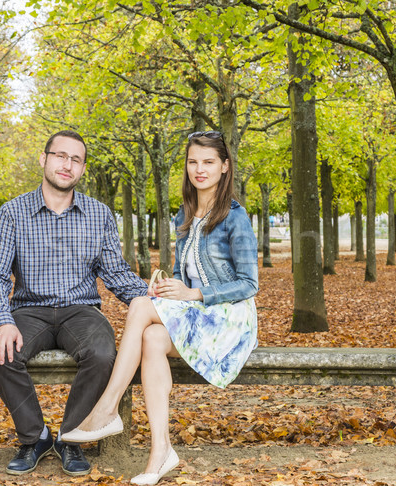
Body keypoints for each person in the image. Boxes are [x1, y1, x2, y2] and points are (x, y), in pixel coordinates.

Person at [62, 130, 259, 485]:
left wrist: (193, 294)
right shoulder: (183, 216)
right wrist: (168, 290)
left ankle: (107, 407)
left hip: (230, 320)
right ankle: (160, 452)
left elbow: (248, 284)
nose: (200, 169)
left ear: (225, 167)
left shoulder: (235, 217)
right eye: (193, 162)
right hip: (198, 316)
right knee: (152, 336)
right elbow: (184, 279)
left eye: (209, 162)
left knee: (139, 305)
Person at [0, 130, 148, 477]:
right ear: (44, 159)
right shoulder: (13, 212)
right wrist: (2, 320)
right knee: (1, 353)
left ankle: (71, 438)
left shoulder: (99, 214)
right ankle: (35, 437)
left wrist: (151, 297)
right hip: (28, 310)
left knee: (103, 354)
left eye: (76, 159)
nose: (67, 164)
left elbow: (115, 272)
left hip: (81, 311)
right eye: (60, 155)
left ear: (82, 168)